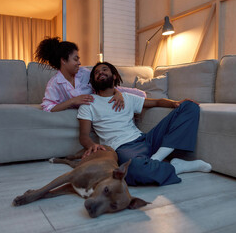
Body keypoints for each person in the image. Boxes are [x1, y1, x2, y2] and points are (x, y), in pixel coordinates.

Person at [77, 62, 212, 186]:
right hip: (123, 148)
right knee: (132, 171)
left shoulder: (127, 97)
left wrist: (174, 103)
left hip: (146, 139)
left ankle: (156, 159)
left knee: (190, 106)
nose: (100, 72)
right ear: (93, 81)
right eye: (96, 72)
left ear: (114, 75)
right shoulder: (89, 103)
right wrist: (93, 146)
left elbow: (156, 102)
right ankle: (177, 166)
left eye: (105, 69)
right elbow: (84, 136)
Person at [35, 37, 146, 112]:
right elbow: (48, 107)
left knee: (141, 95)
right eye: (76, 59)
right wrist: (72, 101)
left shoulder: (84, 74)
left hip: (103, 104)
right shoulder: (54, 84)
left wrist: (118, 93)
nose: (79, 63)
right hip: (87, 114)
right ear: (63, 60)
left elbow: (103, 86)